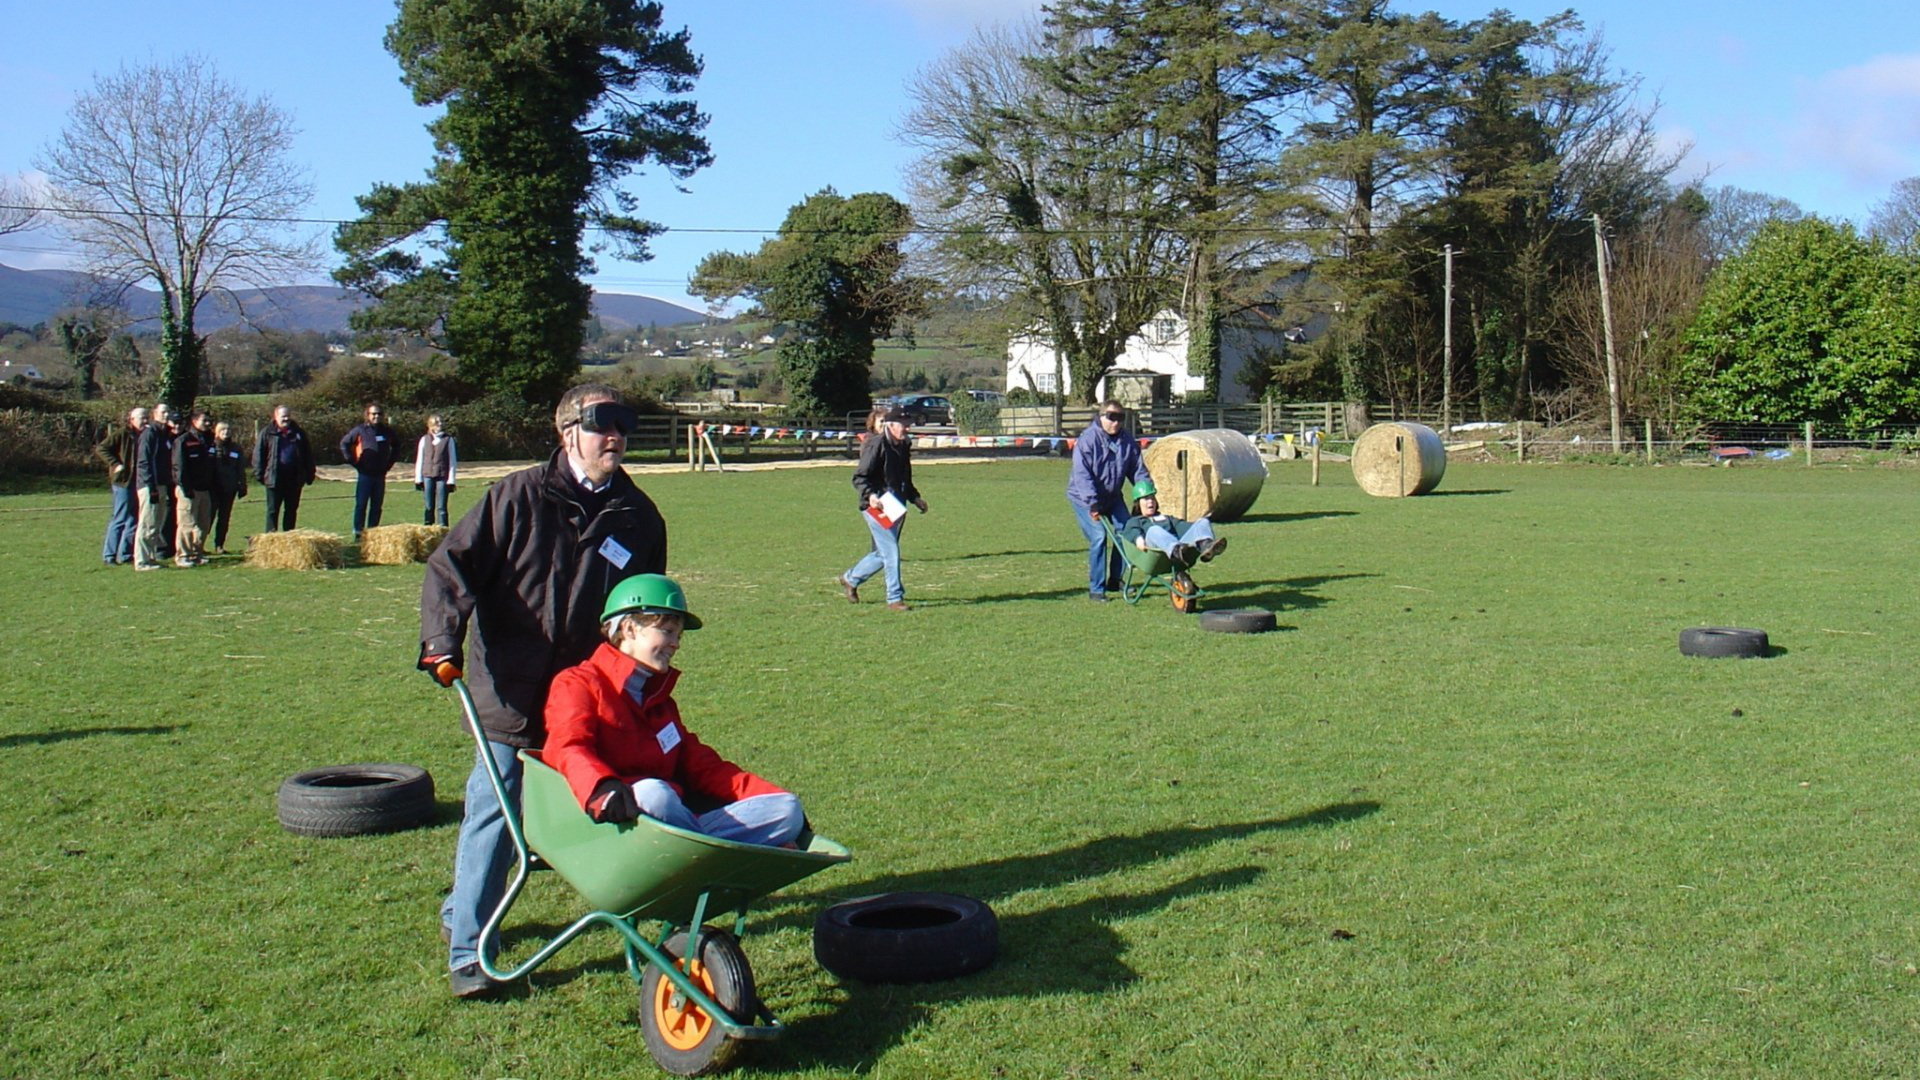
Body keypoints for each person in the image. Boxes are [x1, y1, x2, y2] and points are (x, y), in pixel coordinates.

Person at [417, 383, 667, 999]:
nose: (615, 435)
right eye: (601, 423)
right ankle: (469, 953)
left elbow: (641, 611)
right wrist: (440, 641)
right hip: (509, 683)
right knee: (495, 808)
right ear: (567, 433)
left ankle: (467, 907)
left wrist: (641, 674)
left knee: (579, 811)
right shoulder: (514, 498)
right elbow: (451, 568)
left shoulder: (638, 516)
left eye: (623, 423)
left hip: (583, 695)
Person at [544, 574, 804, 845]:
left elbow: (704, 767)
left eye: (678, 635)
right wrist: (602, 787)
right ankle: (714, 855)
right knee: (652, 793)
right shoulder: (578, 683)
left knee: (787, 809)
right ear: (630, 628)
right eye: (667, 631)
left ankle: (698, 852)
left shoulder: (660, 702)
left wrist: (770, 796)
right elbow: (568, 746)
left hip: (670, 823)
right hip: (611, 823)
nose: (676, 644)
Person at [837, 404, 926, 612]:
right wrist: (872, 496)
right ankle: (895, 598)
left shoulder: (904, 445)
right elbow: (859, 477)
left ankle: (850, 579)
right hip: (876, 506)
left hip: (896, 505)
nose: (907, 429)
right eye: (904, 425)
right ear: (891, 425)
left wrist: (915, 498)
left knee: (881, 553)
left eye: (908, 425)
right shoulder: (875, 444)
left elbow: (905, 477)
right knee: (891, 551)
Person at [1066, 400, 1150, 601]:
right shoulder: (1088, 440)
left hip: (1112, 497)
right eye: (1111, 417)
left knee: (1128, 531)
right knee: (1099, 537)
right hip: (1084, 498)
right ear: (1101, 417)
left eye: (1120, 418)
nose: (1116, 422)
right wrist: (1092, 503)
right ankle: (1096, 588)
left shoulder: (1127, 441)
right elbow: (1081, 474)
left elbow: (1138, 470)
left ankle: (1115, 580)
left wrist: (1145, 494)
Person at [1116, 478, 1227, 570]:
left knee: (1203, 521)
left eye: (1152, 498)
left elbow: (1183, 527)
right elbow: (1129, 531)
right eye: (1145, 499)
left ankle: (1206, 546)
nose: (1150, 502)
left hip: (1179, 549)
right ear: (1137, 503)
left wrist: (1197, 531)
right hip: (1154, 552)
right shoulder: (1135, 521)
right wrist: (1138, 538)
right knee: (1154, 530)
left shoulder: (1166, 518)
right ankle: (1176, 550)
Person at [340, 401, 399, 540]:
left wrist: (389, 463)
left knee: (377, 505)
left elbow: (397, 446)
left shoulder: (387, 431)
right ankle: (358, 533)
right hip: (365, 474)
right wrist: (353, 461)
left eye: (379, 414)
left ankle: (373, 533)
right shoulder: (360, 430)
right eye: (373, 414)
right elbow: (344, 443)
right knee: (361, 505)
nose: (376, 416)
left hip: (380, 475)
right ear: (368, 415)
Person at [253, 404, 316, 532]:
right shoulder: (267, 433)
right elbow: (258, 455)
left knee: (291, 510)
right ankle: (271, 537)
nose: (286, 419)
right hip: (274, 478)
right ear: (275, 417)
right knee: (272, 510)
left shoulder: (299, 433)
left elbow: (307, 454)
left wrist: (309, 474)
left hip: (294, 479)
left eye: (288, 416)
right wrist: (260, 475)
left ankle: (289, 536)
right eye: (283, 416)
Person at [96, 406, 146, 565]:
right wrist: (116, 464)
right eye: (141, 418)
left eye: (146, 417)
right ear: (132, 420)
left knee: (134, 519)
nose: (144, 421)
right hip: (123, 481)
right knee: (120, 518)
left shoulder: (146, 435)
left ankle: (126, 554)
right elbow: (101, 448)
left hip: (138, 482)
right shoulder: (122, 434)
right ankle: (109, 555)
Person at [132, 403, 176, 572]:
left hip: (162, 484)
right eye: (163, 412)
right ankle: (141, 561)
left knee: (156, 524)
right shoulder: (149, 434)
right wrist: (151, 486)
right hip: (150, 485)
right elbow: (144, 462)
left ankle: (150, 558)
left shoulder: (164, 434)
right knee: (147, 523)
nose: (166, 415)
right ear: (155, 414)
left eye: (168, 411)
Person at [171, 409, 216, 566]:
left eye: (209, 420)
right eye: (204, 421)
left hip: (205, 489)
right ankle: (183, 555)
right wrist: (186, 488)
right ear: (194, 422)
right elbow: (179, 467)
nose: (208, 423)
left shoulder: (210, 439)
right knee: (187, 524)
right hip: (188, 490)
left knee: (204, 524)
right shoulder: (183, 441)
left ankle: (197, 553)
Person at [209, 420, 249, 555]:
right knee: (208, 517)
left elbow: (240, 469)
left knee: (224, 518)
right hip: (213, 489)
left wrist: (242, 485)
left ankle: (219, 544)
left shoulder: (236, 448)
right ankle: (199, 545)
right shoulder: (211, 446)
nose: (226, 433)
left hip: (229, 488)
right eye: (222, 430)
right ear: (217, 432)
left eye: (228, 430)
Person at [414, 414, 457, 527]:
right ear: (430, 425)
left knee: (441, 506)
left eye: (441, 422)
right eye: (437, 423)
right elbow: (420, 459)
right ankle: (428, 527)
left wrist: (451, 480)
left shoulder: (448, 440)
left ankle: (443, 528)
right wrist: (418, 478)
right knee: (428, 505)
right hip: (427, 476)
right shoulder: (424, 439)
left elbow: (452, 461)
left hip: (442, 476)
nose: (440, 425)